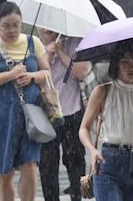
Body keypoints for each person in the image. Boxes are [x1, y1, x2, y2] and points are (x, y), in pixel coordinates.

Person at [0, 0, 50, 201]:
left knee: (31, 166)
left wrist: (31, 76)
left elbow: (47, 74)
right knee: (4, 172)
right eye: (6, 26)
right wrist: (10, 75)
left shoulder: (34, 42)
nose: (12, 30)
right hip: (0, 117)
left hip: (30, 116)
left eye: (16, 25)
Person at [78, 40, 133, 201]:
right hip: (109, 162)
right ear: (116, 63)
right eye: (125, 62)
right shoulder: (103, 91)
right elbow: (83, 128)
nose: (132, 67)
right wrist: (92, 150)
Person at [37, 28, 88, 201]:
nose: (46, 30)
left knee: (76, 162)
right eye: (43, 27)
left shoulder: (74, 42)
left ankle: (79, 196)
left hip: (72, 111)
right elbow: (34, 78)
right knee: (47, 165)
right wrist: (48, 56)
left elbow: (82, 72)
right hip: (45, 115)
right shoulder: (33, 45)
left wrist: (60, 51)